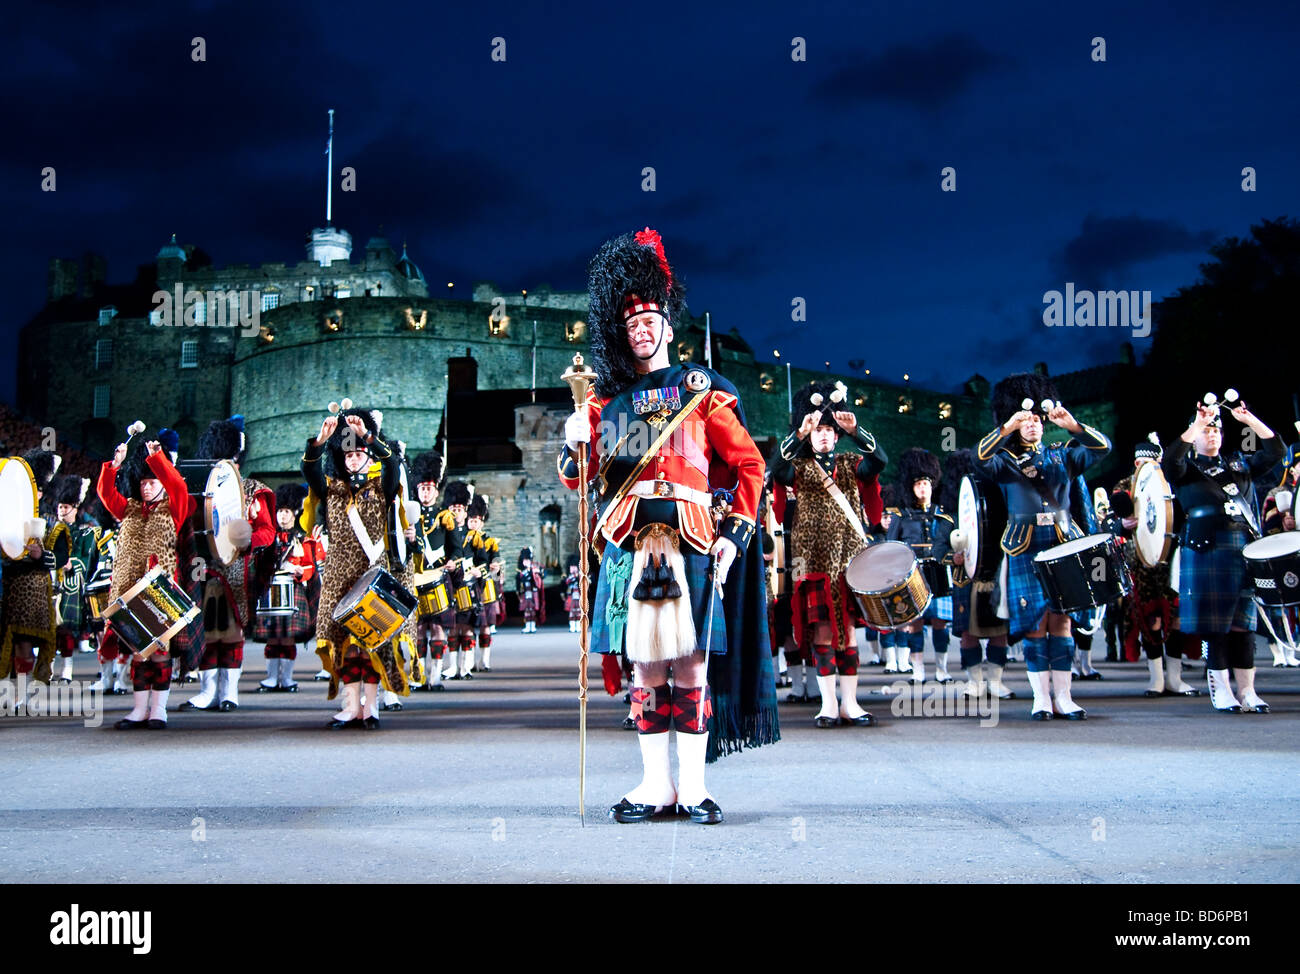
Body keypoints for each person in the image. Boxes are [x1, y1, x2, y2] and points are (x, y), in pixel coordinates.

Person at [559, 227, 777, 824]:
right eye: (631, 325)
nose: (642, 330)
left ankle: (696, 787)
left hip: (696, 539)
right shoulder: (607, 403)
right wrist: (574, 441)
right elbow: (582, 478)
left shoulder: (701, 393)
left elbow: (750, 465)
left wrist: (735, 536)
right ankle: (657, 786)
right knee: (646, 668)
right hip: (631, 542)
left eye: (651, 319)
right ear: (621, 335)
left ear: (669, 326)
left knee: (694, 665)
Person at [974, 373, 1110, 720]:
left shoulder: (1062, 455)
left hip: (1063, 542)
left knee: (1061, 622)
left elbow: (1103, 448)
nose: (1033, 424)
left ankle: (1063, 697)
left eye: (1037, 420)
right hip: (1025, 544)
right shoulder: (1004, 462)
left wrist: (1074, 426)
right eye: (1027, 420)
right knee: (1036, 623)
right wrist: (1006, 427)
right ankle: (1040, 699)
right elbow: (980, 457)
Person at [770, 380, 886, 727]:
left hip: (849, 559)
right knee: (822, 632)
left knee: (847, 632)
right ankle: (828, 704)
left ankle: (850, 703)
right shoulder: (800, 468)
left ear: (836, 436)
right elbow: (776, 468)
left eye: (828, 431)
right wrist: (798, 435)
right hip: (813, 558)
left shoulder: (851, 463)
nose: (823, 435)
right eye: (818, 430)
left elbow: (878, 460)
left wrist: (856, 430)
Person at [1163, 396, 1282, 712]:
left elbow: (1276, 452)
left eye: (1216, 429)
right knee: (1216, 627)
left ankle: (1248, 692)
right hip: (1207, 548)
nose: (1212, 433)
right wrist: (1197, 423)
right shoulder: (1186, 468)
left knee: (1243, 625)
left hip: (1241, 548)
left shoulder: (1238, 465)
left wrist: (1248, 420)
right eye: (1207, 430)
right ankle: (1221, 691)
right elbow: (1169, 460)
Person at [301, 403, 416, 728]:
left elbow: (392, 464)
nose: (352, 459)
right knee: (346, 649)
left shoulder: (382, 487)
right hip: (339, 578)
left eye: (358, 453)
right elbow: (310, 472)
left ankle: (371, 707)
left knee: (372, 645)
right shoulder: (331, 489)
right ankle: (350, 707)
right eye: (348, 455)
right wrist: (319, 444)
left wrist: (369, 435)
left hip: (372, 576)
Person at [95, 424, 195, 728]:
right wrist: (114, 466)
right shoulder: (128, 508)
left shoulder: (175, 506)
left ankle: (158, 709)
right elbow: (104, 492)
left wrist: (157, 459)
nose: (147, 487)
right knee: (139, 652)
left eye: (152, 482)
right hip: (128, 591)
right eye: (144, 483)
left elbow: (177, 485)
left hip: (159, 590)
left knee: (160, 651)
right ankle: (139, 709)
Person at [178, 417, 275, 713]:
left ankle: (229, 691)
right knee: (206, 633)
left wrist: (249, 540)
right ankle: (207, 691)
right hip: (202, 570)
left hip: (236, 572)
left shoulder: (253, 491)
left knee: (232, 635)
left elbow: (268, 532)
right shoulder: (193, 488)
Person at [939, 450, 1015, 700]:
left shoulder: (1000, 510)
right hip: (966, 579)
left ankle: (996, 681)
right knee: (968, 634)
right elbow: (938, 548)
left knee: (1000, 632)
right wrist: (954, 557)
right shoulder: (949, 515)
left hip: (994, 575)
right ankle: (975, 681)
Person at [887, 448, 954, 684]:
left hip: (939, 574)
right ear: (911, 487)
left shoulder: (942, 515)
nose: (923, 488)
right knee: (915, 625)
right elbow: (891, 547)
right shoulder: (900, 516)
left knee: (941, 623)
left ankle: (942, 669)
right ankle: (918, 670)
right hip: (913, 575)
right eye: (918, 484)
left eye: (926, 483)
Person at [1, 449, 68, 685]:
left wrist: (42, 555)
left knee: (23, 643)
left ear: (40, 492)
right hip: (5, 584)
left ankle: (18, 690)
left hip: (33, 589)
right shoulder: (5, 517)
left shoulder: (51, 523)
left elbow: (60, 558)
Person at [254, 484, 321, 692]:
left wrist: (301, 571)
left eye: (286, 511)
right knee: (273, 636)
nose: (283, 516)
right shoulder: (268, 538)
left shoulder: (303, 539)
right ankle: (272, 678)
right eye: (280, 511)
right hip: (271, 589)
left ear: (295, 513)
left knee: (288, 638)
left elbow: (311, 566)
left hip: (294, 589)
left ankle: (287, 678)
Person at [408, 450, 449, 690]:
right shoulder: (409, 516)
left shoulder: (445, 517)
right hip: (415, 577)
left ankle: (436, 676)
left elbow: (454, 547)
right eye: (422, 488)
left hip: (438, 576)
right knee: (419, 629)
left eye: (429, 488)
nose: (425, 492)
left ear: (436, 490)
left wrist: (453, 560)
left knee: (438, 628)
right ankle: (419, 675)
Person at [516, 547, 544, 634]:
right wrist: (518, 592)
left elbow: (541, 578)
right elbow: (518, 582)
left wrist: (535, 572)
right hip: (525, 592)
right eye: (524, 561)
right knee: (527, 610)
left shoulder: (535, 569)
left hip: (533, 592)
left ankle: (533, 626)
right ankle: (527, 626)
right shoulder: (521, 572)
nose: (526, 562)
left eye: (527, 560)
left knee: (532, 610)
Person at [563, 553, 582, 633]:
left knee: (578, 611)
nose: (573, 569)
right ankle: (572, 626)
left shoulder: (580, 576)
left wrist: (577, 577)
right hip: (571, 596)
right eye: (572, 567)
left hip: (578, 595)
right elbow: (566, 583)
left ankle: (578, 626)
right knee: (572, 611)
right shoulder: (569, 577)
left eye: (574, 567)